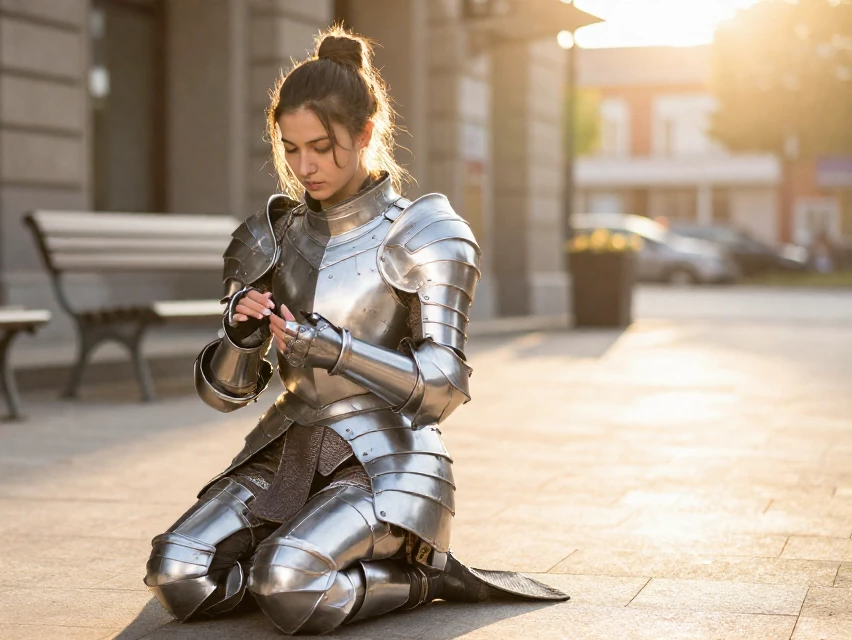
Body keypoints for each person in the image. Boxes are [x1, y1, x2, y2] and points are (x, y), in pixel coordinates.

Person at [143, 26, 567, 635]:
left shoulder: (423, 231)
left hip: (387, 458)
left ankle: (421, 578)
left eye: (321, 146)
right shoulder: (271, 234)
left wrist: (336, 350)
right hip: (287, 443)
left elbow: (444, 386)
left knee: (288, 585)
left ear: (365, 134)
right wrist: (240, 340)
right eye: (291, 148)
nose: (304, 166)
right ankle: (286, 562)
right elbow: (223, 396)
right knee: (177, 573)